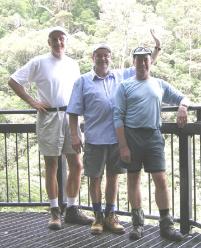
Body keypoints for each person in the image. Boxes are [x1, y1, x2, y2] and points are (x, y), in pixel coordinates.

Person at [67, 31, 161, 235]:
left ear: (110, 57)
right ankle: (98, 217)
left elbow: (144, 64)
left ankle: (110, 215)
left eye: (106, 54)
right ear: (93, 58)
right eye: (99, 54)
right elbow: (73, 111)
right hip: (94, 138)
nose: (103, 58)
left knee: (114, 177)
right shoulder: (83, 81)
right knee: (95, 178)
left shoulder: (120, 75)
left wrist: (157, 49)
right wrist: (75, 135)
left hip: (118, 140)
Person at [8, 26, 93, 230]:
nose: (58, 42)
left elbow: (78, 91)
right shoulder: (39, 62)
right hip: (49, 117)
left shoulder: (73, 64)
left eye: (62, 39)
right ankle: (55, 211)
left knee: (77, 164)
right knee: (52, 165)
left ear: (66, 41)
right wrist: (32, 101)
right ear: (49, 42)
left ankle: (72, 208)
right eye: (54, 39)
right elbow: (13, 81)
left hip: (71, 117)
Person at [113, 46, 190, 241]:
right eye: (138, 59)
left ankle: (166, 226)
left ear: (150, 61)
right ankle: (137, 225)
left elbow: (184, 96)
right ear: (134, 62)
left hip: (154, 135)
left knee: (161, 179)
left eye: (145, 59)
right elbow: (117, 117)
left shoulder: (159, 84)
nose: (142, 63)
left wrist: (182, 106)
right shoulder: (124, 86)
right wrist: (123, 146)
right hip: (131, 137)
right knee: (133, 179)